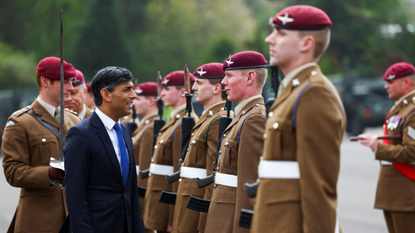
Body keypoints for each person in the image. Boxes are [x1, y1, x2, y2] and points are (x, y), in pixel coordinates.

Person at [251, 5, 346, 233]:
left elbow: (319, 188)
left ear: (306, 43)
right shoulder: (294, 91)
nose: (269, 39)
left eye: (280, 34)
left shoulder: (314, 93)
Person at [2, 56, 81, 233]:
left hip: (75, 219)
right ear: (45, 81)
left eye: (72, 82)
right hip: (39, 221)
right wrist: (50, 173)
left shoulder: (75, 121)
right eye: (65, 81)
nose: (71, 87)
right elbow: (12, 171)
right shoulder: (20, 122)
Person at [64, 66, 145, 233]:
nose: (134, 95)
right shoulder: (80, 134)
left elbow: (130, 193)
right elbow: (75, 196)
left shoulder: (124, 131)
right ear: (106, 95)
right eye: (126, 90)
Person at [204, 51, 267, 233]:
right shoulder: (243, 116)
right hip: (222, 218)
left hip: (231, 223)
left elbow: (249, 186)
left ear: (250, 77)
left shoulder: (254, 119)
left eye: (229, 76)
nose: (223, 82)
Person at [357, 62, 415, 233]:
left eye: (390, 82)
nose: (385, 86)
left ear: (406, 83)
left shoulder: (412, 110)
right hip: (393, 194)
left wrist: (378, 147)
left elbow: (411, 151)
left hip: (407, 194)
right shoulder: (400, 109)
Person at [172, 62, 227, 233]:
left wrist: (205, 220)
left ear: (216, 88)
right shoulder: (207, 118)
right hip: (187, 206)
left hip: (198, 212)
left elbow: (212, 175)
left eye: (199, 83)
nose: (194, 87)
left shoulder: (218, 120)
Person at [143, 70, 198, 233]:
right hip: (158, 202)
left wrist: (174, 216)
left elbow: (178, 172)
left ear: (183, 91)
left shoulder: (184, 123)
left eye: (167, 89)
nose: (162, 93)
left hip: (167, 208)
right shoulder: (174, 121)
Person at [131, 82, 159, 233]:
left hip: (140, 192)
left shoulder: (150, 128)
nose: (133, 102)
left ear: (151, 101)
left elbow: (144, 169)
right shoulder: (144, 126)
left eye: (138, 98)